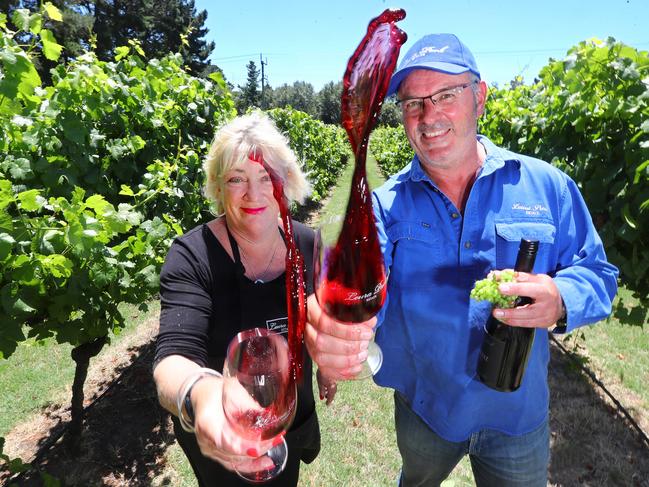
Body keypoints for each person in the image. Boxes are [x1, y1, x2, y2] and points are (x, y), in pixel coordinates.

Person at [305, 33, 619, 486]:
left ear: (480, 97)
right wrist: (338, 323)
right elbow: (360, 287)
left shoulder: (546, 186)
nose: (429, 116)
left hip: (517, 416)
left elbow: (599, 274)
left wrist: (561, 297)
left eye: (446, 96)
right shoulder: (385, 205)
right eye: (413, 103)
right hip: (427, 411)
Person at [153, 111, 332, 487]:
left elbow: (321, 316)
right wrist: (201, 397)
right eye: (237, 179)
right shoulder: (192, 256)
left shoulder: (308, 244)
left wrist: (327, 368)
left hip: (290, 410)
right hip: (225, 428)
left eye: (266, 177)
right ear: (219, 187)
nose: (254, 193)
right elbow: (173, 357)